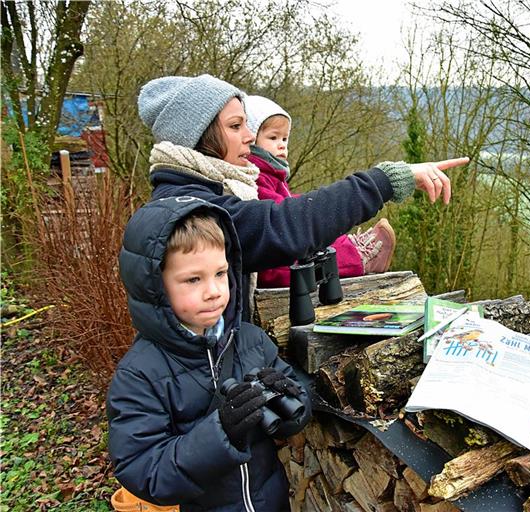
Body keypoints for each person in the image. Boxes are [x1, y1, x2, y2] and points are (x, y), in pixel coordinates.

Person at [138, 74, 468, 320]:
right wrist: (385, 181)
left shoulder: (193, 193)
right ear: (201, 136)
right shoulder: (196, 212)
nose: (250, 136)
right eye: (236, 126)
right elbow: (285, 226)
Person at [107, 196, 311, 511]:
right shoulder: (141, 374)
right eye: (193, 279)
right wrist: (221, 432)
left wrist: (291, 399)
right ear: (155, 287)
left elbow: (297, 411)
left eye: (220, 274)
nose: (214, 290)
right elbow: (145, 472)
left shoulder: (251, 340)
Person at [243, 94, 395, 287]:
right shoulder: (257, 177)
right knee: (313, 251)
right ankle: (358, 258)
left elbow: (288, 204)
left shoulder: (272, 174)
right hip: (274, 267)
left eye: (285, 139)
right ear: (251, 139)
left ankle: (350, 245)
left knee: (320, 228)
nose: (281, 144)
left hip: (279, 250)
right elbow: (283, 219)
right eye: (273, 138)